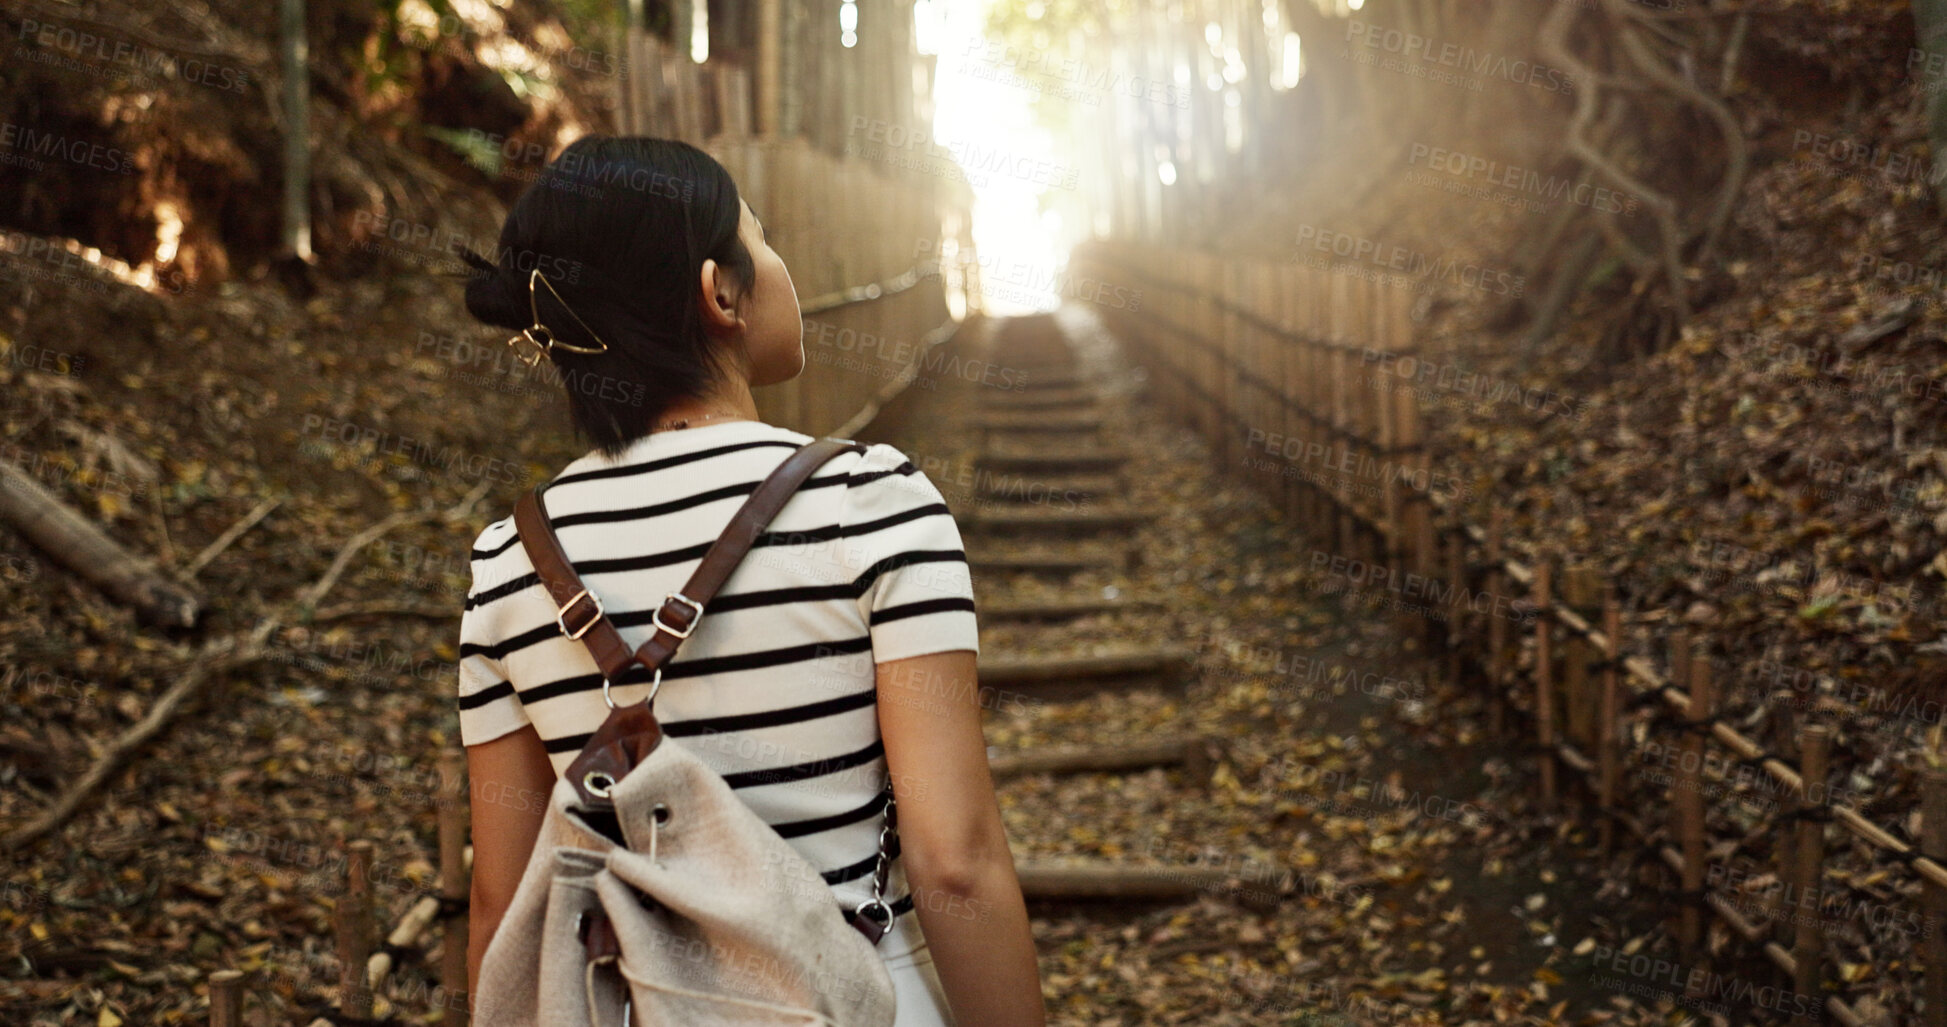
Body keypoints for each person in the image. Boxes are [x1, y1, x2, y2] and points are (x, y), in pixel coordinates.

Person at [450, 135, 1045, 1026]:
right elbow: (954, 859)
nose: (781, 267)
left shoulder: (509, 558)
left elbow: (504, 906)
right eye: (764, 241)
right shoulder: (870, 501)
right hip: (859, 992)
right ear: (720, 291)